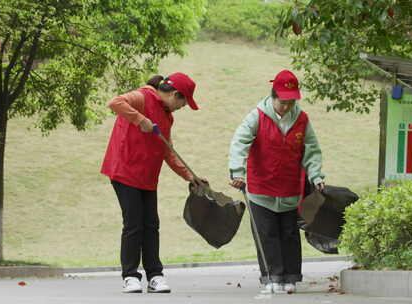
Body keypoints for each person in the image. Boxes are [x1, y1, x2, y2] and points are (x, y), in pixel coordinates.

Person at [101, 73, 203, 294]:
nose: (183, 106)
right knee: (134, 223)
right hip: (124, 171)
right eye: (183, 101)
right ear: (176, 94)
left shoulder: (167, 117)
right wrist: (141, 120)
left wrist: (189, 176)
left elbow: (167, 151)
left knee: (151, 225)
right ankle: (130, 277)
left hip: (147, 177)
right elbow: (115, 102)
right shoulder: (142, 97)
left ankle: (155, 276)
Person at [228, 70, 325, 294]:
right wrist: (237, 171)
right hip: (261, 189)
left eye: (291, 101)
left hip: (290, 188)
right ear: (273, 96)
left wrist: (316, 175)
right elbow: (239, 142)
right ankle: (272, 276)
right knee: (267, 233)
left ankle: (290, 276)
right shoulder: (257, 116)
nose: (287, 106)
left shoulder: (302, 119)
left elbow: (312, 150)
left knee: (289, 233)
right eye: (283, 101)